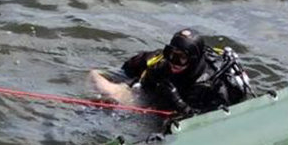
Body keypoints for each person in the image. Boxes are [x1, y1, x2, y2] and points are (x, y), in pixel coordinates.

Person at [100, 28, 253, 118]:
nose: (173, 62)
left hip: (190, 110)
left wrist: (178, 102)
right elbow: (127, 69)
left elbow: (206, 122)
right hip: (154, 103)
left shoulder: (213, 85)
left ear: (194, 59)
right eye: (171, 54)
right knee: (100, 83)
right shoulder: (160, 62)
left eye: (181, 58)